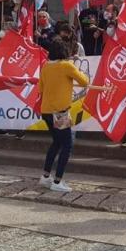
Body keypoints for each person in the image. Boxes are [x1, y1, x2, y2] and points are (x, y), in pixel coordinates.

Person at [37, 38, 90, 193]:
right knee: (67, 145)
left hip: (46, 110)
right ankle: (57, 180)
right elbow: (84, 81)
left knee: (56, 142)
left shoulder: (46, 67)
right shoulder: (67, 66)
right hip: (60, 111)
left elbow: (41, 88)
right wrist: (72, 65)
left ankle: (46, 176)